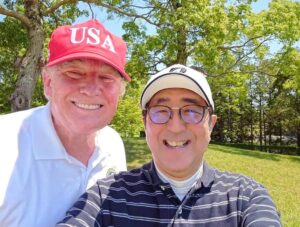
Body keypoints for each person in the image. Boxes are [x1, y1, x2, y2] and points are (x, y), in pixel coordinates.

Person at [57, 64, 281, 226]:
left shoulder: (246, 198)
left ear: (211, 125)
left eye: (192, 111)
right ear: (145, 123)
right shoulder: (106, 196)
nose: (175, 126)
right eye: (161, 111)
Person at [0, 19, 131, 227]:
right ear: (48, 83)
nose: (90, 89)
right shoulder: (4, 143)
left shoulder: (113, 143)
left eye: (106, 78)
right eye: (74, 73)